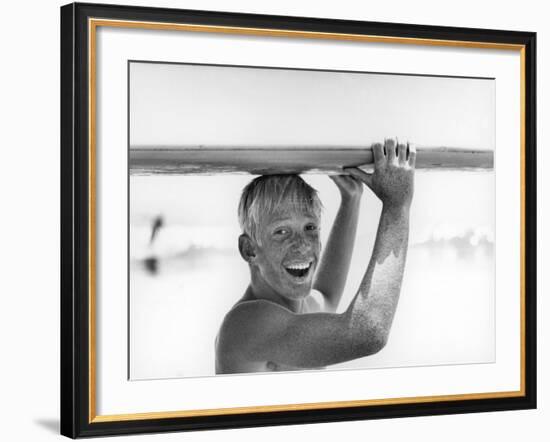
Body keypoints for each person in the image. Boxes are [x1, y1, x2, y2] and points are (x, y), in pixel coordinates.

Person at [215, 138, 415, 374]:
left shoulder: (300, 308)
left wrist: (351, 200)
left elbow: (327, 296)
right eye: (281, 232)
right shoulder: (247, 324)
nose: (302, 245)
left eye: (310, 228)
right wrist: (397, 206)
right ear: (249, 250)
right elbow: (368, 333)